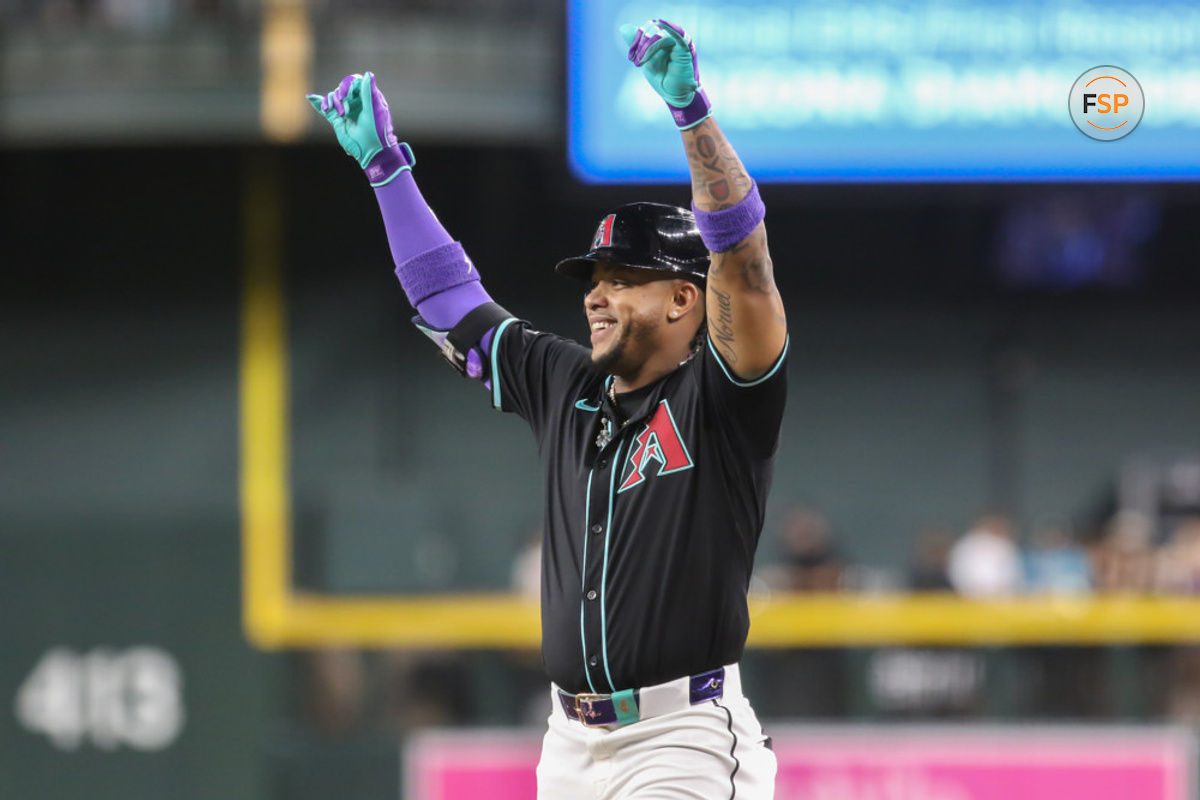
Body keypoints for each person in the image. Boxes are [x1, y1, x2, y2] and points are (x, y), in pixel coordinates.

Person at [309, 18, 786, 798]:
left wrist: (692, 116)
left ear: (682, 300)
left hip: (683, 739)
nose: (597, 293)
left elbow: (745, 261)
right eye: (593, 278)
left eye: (623, 276)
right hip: (569, 744)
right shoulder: (565, 384)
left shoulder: (724, 398)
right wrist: (387, 172)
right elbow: (448, 302)